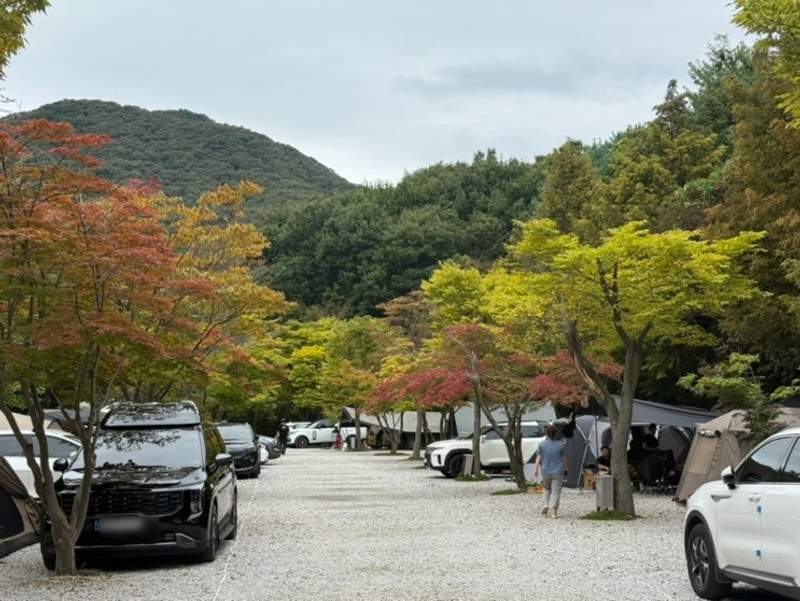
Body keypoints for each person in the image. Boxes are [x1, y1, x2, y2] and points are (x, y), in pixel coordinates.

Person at [533, 424, 567, 519]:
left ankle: (545, 504)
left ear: (546, 433)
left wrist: (535, 469)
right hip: (558, 472)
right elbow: (563, 458)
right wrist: (566, 468)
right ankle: (554, 513)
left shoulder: (541, 444)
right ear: (555, 434)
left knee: (546, 488)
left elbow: (538, 458)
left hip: (545, 471)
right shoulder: (561, 445)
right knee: (556, 492)